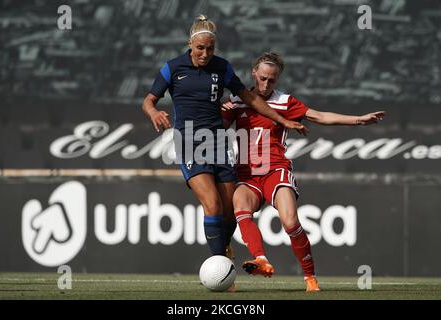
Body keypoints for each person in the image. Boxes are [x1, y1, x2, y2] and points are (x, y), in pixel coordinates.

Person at [141, 16, 308, 288]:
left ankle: (224, 247)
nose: (206, 54)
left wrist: (282, 120)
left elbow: (249, 97)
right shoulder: (172, 68)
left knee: (230, 211)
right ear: (190, 45)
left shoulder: (222, 68)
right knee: (213, 205)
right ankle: (221, 268)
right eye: (200, 48)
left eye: (210, 48)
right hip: (190, 142)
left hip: (218, 142)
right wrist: (153, 112)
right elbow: (148, 101)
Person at [222, 52, 386, 292]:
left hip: (275, 170)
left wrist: (359, 120)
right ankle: (261, 260)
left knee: (290, 222)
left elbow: (320, 116)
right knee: (240, 206)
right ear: (254, 73)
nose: (266, 84)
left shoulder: (284, 102)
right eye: (263, 78)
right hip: (246, 174)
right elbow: (216, 126)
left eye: (272, 80)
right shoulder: (236, 100)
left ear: (278, 80)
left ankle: (310, 278)